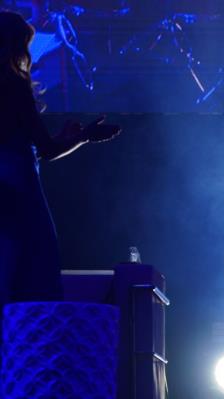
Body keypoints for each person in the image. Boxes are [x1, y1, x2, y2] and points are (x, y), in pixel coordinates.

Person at [0, 11, 120, 311]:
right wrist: (84, 137)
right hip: (18, 190)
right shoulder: (13, 83)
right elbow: (46, 149)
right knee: (32, 273)